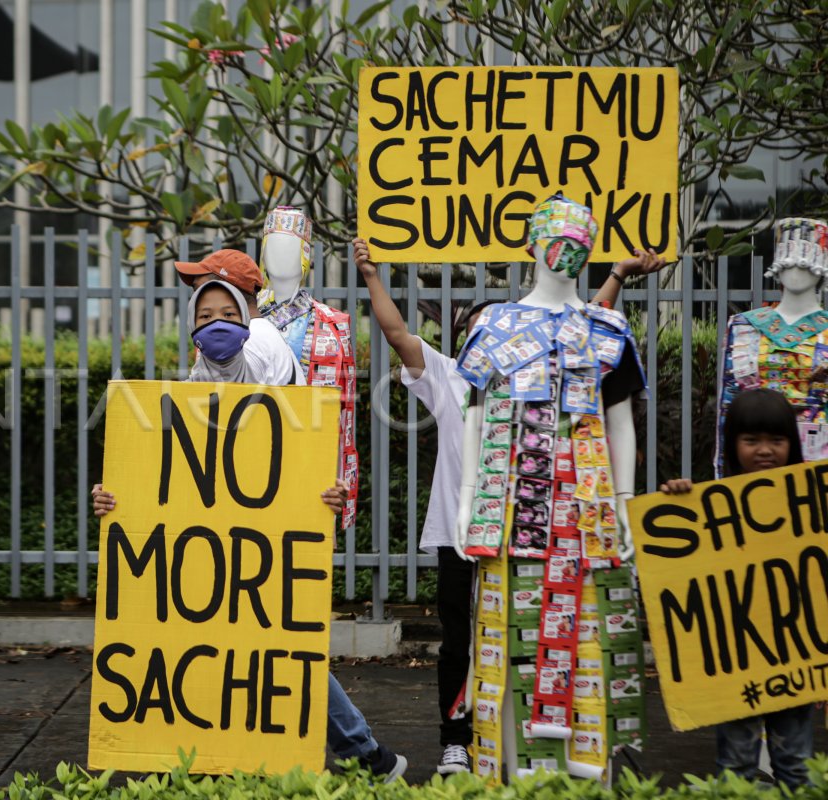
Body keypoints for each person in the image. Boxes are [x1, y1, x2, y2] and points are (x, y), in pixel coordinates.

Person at [352, 236, 663, 775]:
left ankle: (531, 738)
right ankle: (455, 738)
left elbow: (582, 329)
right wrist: (372, 275)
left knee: (528, 629)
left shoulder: (539, 366)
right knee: (460, 640)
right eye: (479, 326)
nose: (493, 336)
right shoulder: (446, 375)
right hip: (458, 532)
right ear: (463, 339)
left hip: (522, 528)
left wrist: (615, 274)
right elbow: (397, 332)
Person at [92, 275, 407, 782]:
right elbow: (156, 475)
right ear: (190, 328)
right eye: (203, 315)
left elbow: (298, 464)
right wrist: (113, 500)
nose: (216, 323)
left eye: (228, 313)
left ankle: (364, 754)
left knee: (281, 646)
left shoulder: (270, 366)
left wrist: (323, 497)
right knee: (257, 648)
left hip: (256, 549)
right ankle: (354, 756)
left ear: (248, 319)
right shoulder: (189, 391)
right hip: (208, 548)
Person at [659, 387, 812, 789]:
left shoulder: (810, 505)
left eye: (776, 440)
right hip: (737, 663)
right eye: (752, 440)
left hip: (794, 657)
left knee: (797, 765)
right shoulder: (711, 506)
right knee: (737, 765)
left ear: (792, 446)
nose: (765, 450)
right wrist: (678, 501)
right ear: (733, 446)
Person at [174, 249, 304, 386]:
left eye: (199, 290)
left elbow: (228, 401)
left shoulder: (250, 339)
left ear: (226, 290)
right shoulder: (255, 332)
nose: (196, 298)